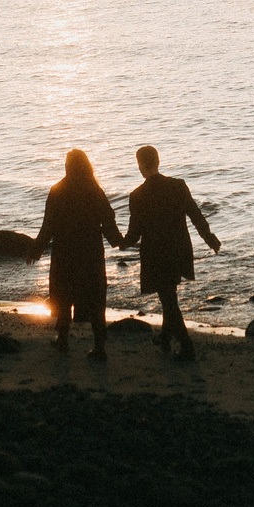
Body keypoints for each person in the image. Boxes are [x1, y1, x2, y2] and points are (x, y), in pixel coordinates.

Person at [122, 144, 220, 361]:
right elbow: (195, 215)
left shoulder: (137, 195)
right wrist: (209, 238)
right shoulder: (178, 186)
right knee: (169, 294)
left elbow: (135, 233)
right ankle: (166, 336)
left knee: (168, 299)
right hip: (179, 249)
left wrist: (120, 242)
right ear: (158, 161)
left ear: (140, 166)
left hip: (156, 253)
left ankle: (187, 346)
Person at [35, 149, 122, 359]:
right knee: (95, 297)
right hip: (90, 251)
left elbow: (48, 225)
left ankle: (62, 339)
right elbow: (108, 219)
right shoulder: (94, 189)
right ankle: (99, 345)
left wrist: (36, 248)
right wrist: (119, 241)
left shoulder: (58, 189)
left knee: (63, 295)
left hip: (64, 251)